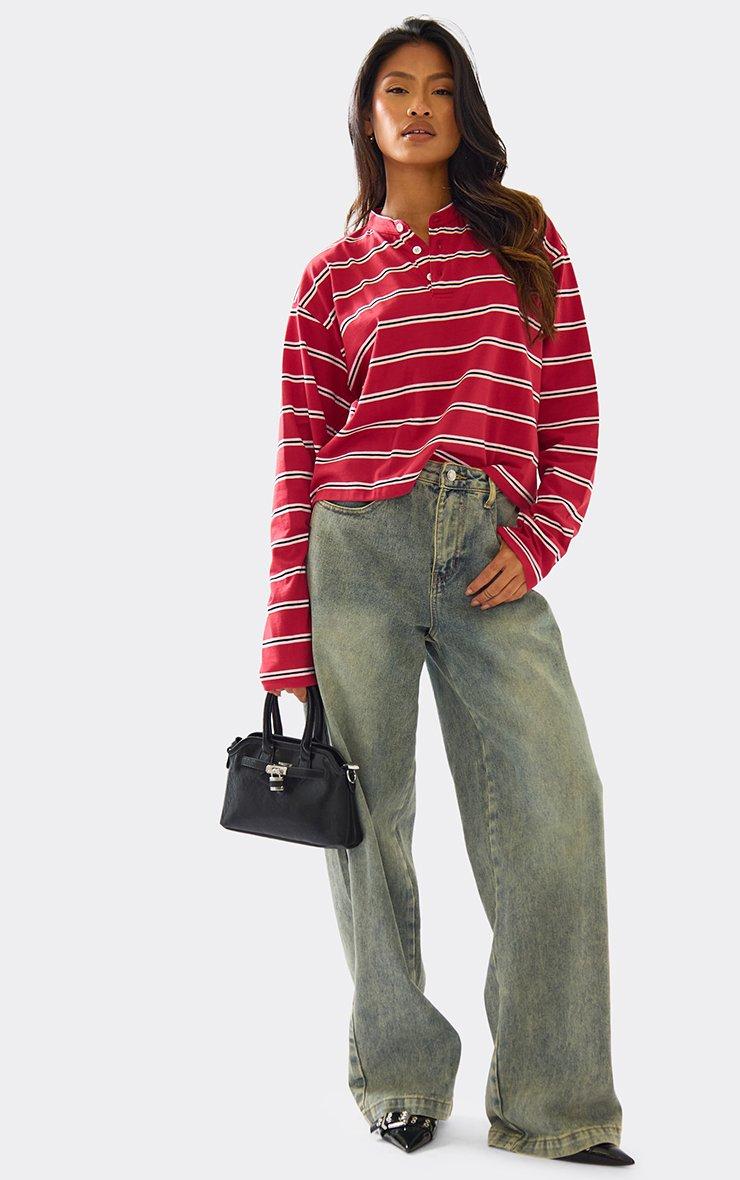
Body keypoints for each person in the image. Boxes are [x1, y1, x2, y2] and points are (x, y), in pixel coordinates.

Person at [258, 16, 633, 1166]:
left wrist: (541, 536)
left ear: (463, 111)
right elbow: (297, 460)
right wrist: (283, 637)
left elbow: (571, 410)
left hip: (488, 553)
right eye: (395, 89)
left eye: (437, 88)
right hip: (355, 553)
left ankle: (554, 1105)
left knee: (556, 812)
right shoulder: (330, 279)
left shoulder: (523, 239)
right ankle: (398, 1079)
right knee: (366, 828)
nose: (417, 106)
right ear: (367, 115)